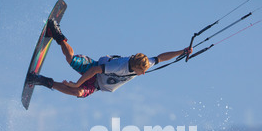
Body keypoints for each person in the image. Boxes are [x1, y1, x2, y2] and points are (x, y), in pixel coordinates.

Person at [27, 19, 192, 98]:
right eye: (142, 71)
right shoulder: (119, 66)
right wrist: (77, 82)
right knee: (70, 59)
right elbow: (94, 70)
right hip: (95, 69)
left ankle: (43, 81)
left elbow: (161, 58)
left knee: (78, 93)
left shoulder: (144, 63)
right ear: (134, 67)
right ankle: (56, 33)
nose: (143, 74)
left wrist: (182, 51)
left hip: (97, 84)